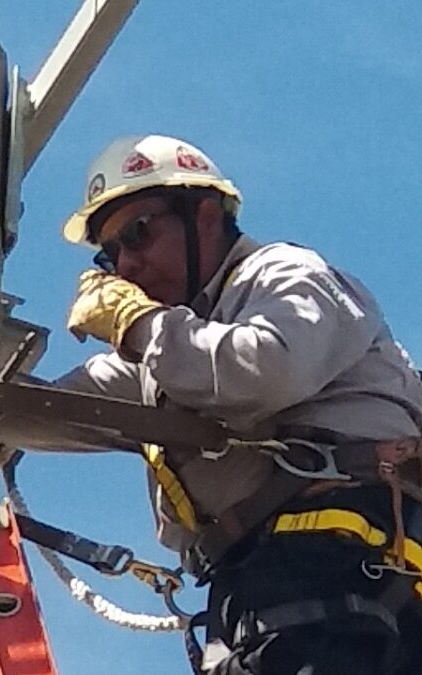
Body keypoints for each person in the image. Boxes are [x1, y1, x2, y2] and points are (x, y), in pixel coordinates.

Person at [49, 134, 422, 673]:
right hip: (263, 597)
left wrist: (139, 324)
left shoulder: (286, 274)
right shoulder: (169, 357)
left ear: (204, 217)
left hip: (343, 569)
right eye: (112, 255)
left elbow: (266, 369)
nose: (126, 265)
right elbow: (37, 406)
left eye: (139, 234)